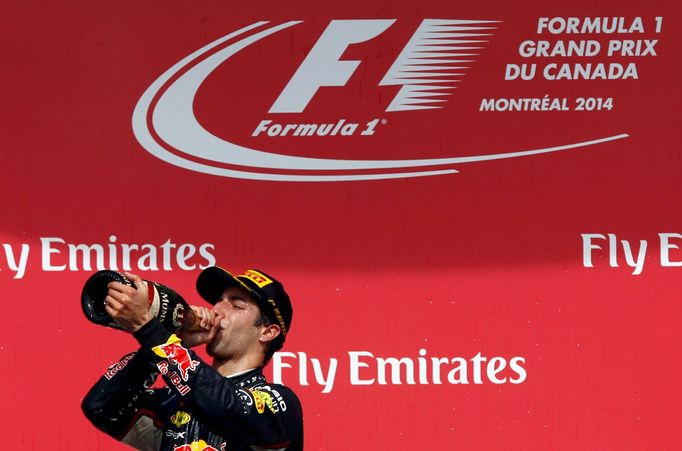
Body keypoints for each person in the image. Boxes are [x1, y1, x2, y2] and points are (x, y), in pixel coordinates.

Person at [82, 266, 303, 450]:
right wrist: (172, 342)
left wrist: (149, 330)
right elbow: (100, 407)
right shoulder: (173, 402)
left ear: (267, 332)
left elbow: (224, 406)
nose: (217, 310)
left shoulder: (280, 404)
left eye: (236, 305)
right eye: (218, 300)